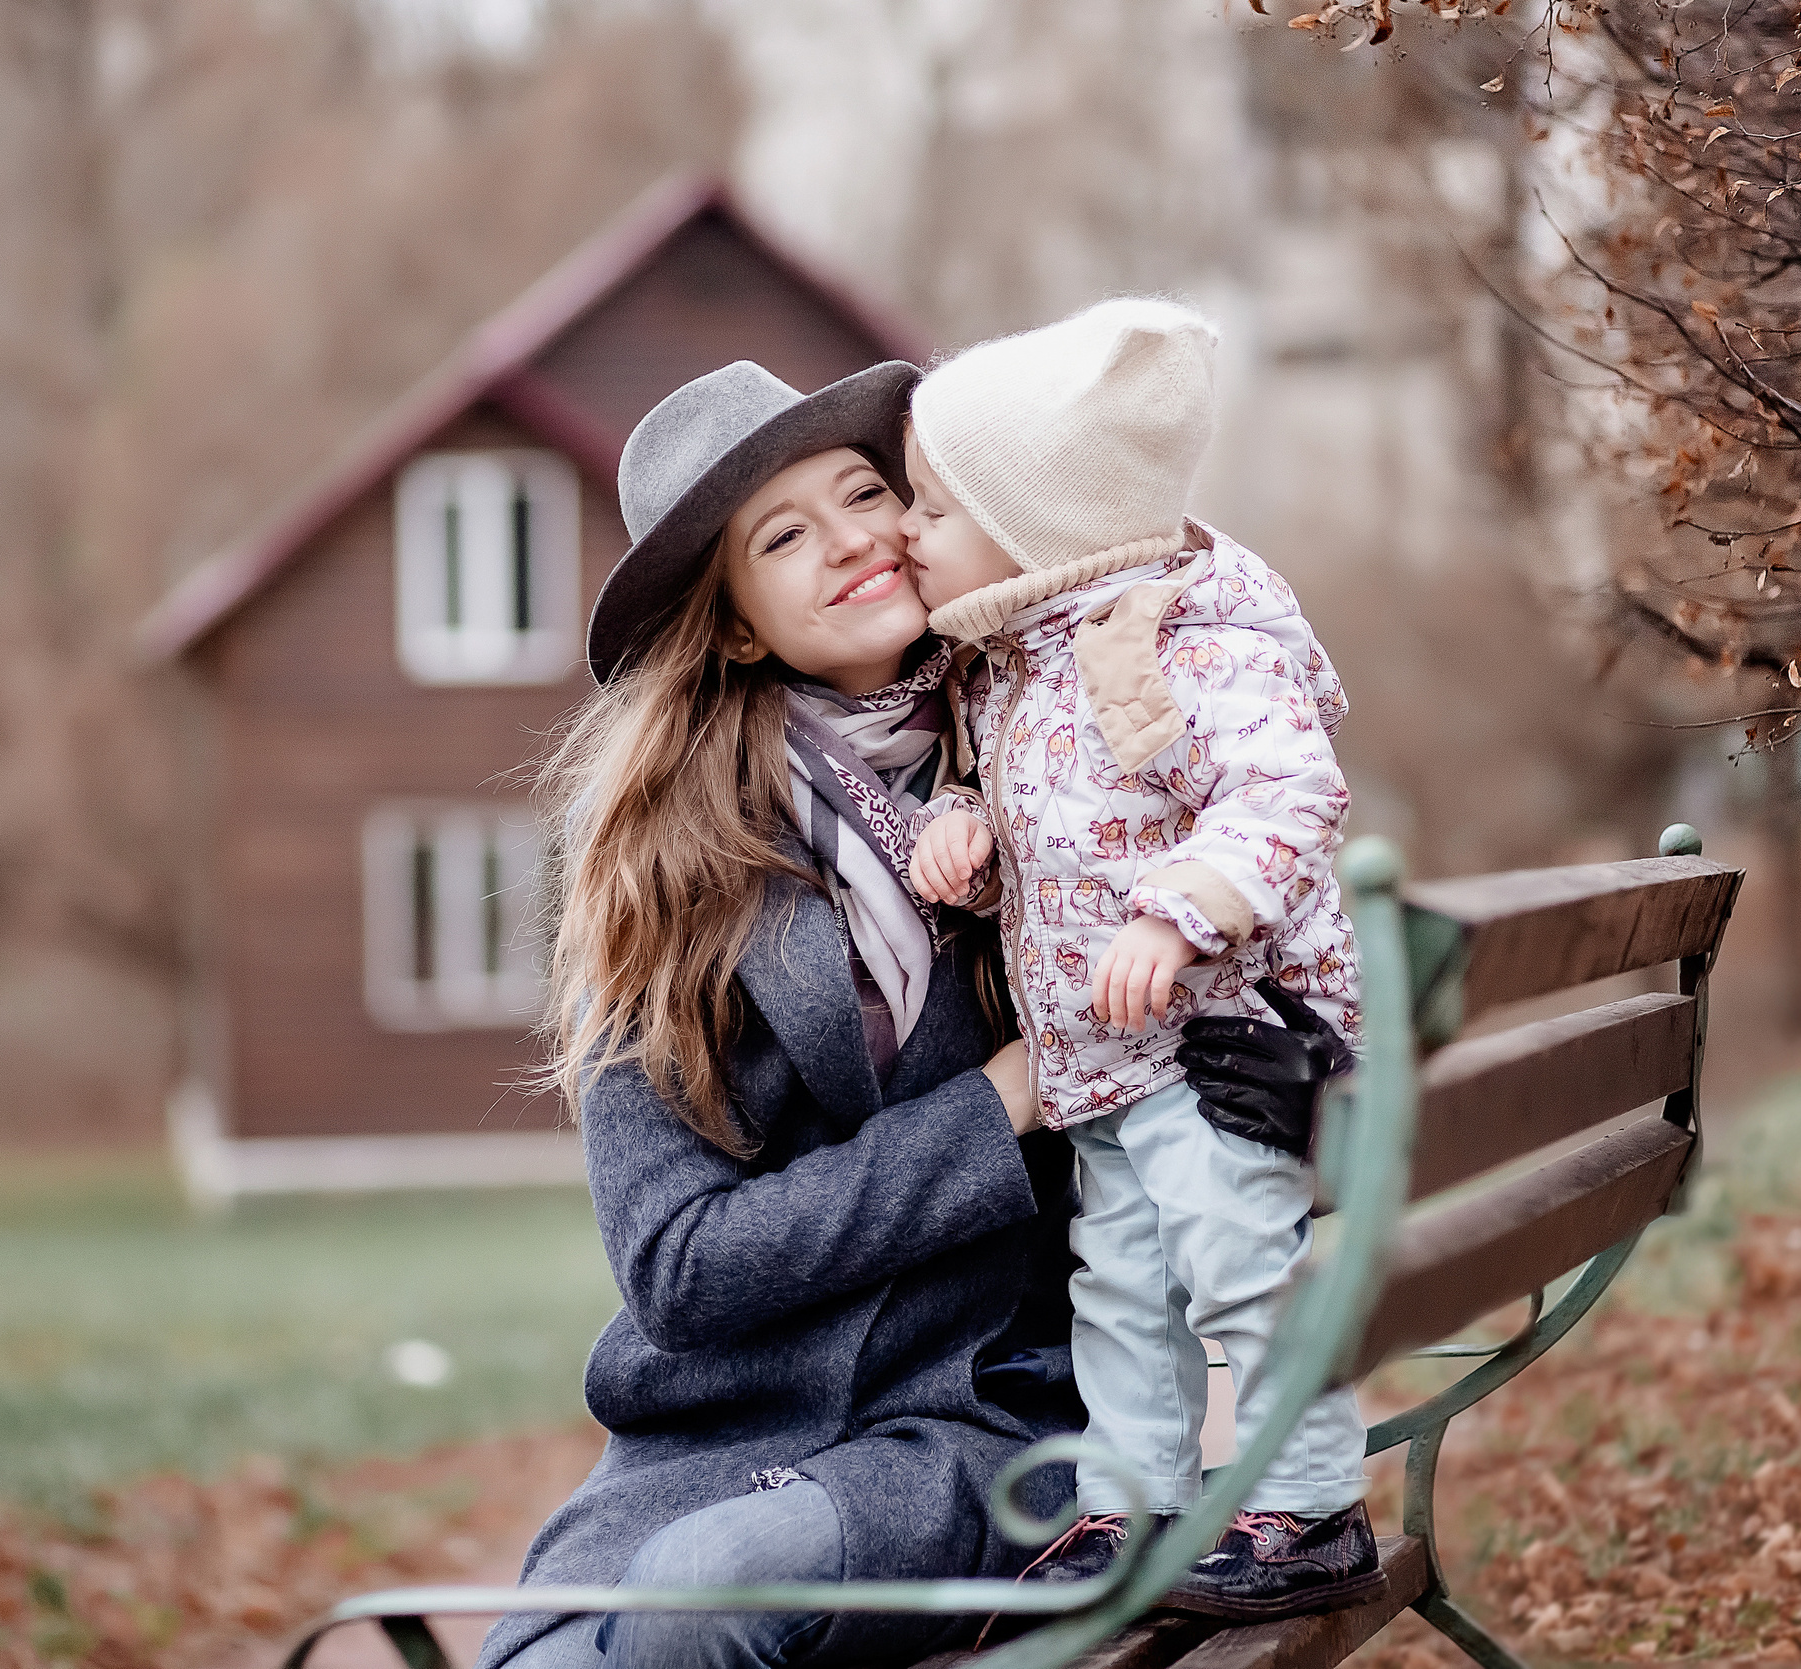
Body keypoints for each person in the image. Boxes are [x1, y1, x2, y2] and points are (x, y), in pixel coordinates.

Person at [480, 357, 1084, 1669]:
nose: (853, 538)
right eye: (786, 533)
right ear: (741, 624)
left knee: (704, 1597)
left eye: (864, 492)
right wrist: (998, 1104)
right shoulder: (663, 876)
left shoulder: (1055, 766)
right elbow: (680, 1266)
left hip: (975, 1427)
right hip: (705, 1446)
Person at [903, 297, 1382, 1623]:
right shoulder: (1013, 667)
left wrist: (1174, 915)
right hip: (1102, 1061)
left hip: (1223, 1044)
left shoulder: (1176, 638)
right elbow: (1059, 818)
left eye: (932, 505)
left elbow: (1289, 796)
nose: (904, 531)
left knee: (1236, 1270)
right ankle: (1134, 1507)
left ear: (1036, 519)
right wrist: (966, 838)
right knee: (1119, 1286)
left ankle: (1308, 1508)